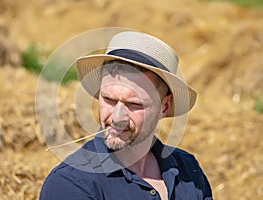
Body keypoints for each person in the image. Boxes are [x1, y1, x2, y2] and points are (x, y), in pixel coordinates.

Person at [40, 31, 213, 200]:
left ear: (165, 106)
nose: (117, 118)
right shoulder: (71, 184)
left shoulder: (189, 171)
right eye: (109, 99)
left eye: (134, 104)